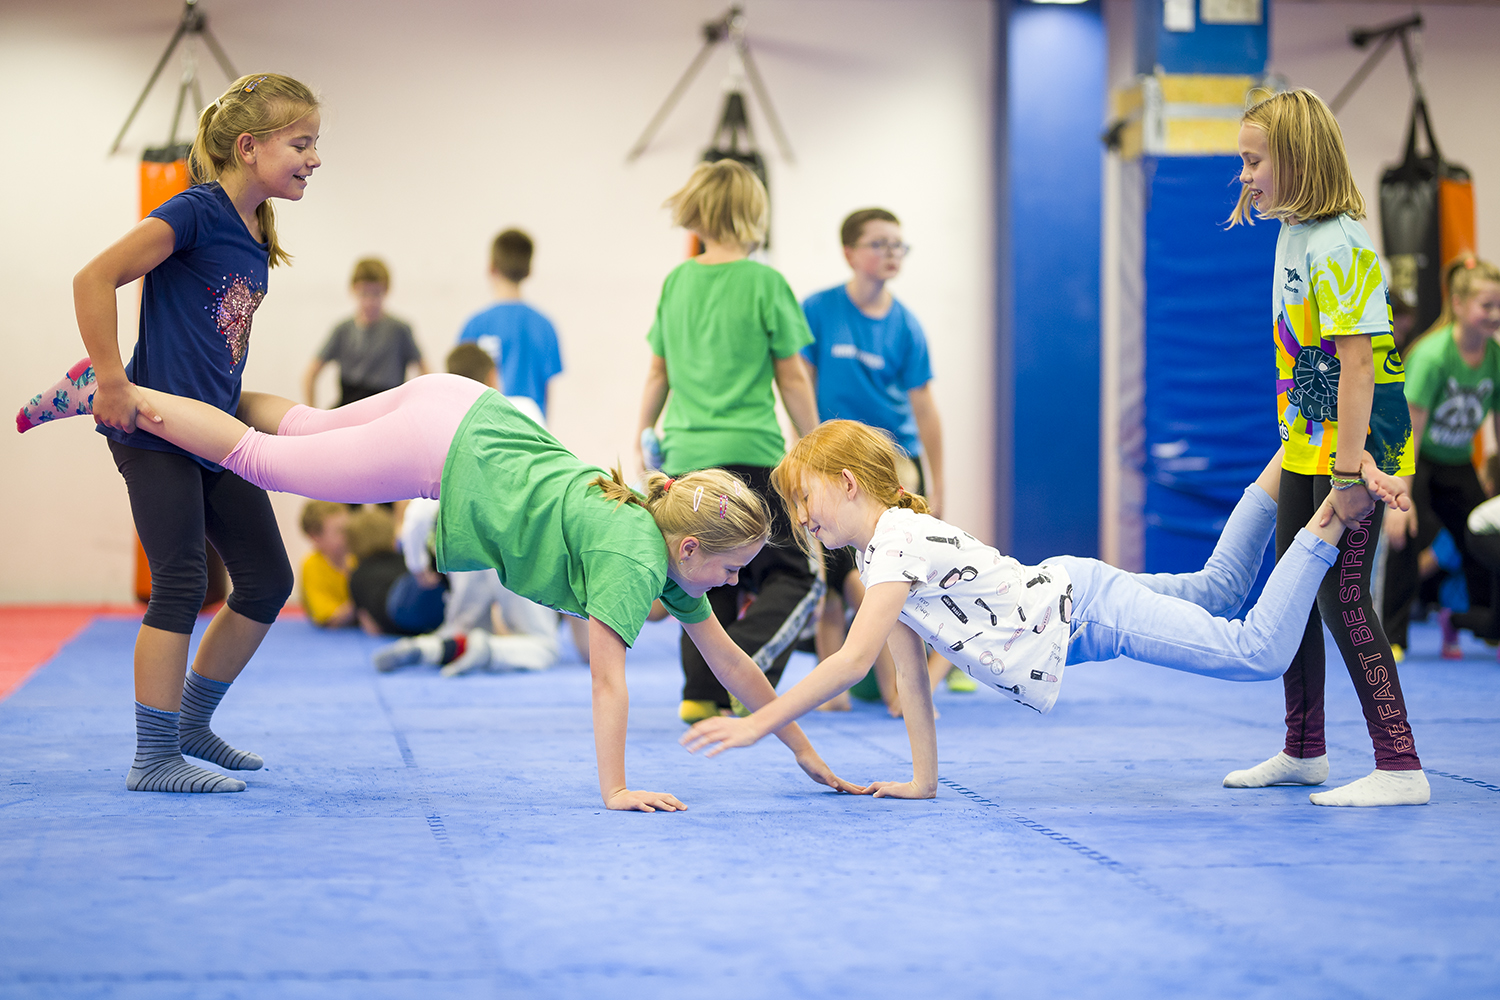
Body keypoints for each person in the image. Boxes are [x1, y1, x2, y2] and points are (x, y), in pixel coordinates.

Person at [21, 370, 864, 812]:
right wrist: (614, 788)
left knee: (307, 426)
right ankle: (116, 392)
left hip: (469, 408)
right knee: (262, 461)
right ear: (688, 548)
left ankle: (179, 385)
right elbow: (608, 680)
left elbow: (734, 667)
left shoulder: (659, 540)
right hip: (448, 447)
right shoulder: (635, 560)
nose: (735, 583)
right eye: (732, 568)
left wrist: (802, 751)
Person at [680, 421, 1412, 804]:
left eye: (804, 500)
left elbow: (846, 663)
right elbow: (908, 685)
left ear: (844, 485)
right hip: (1074, 600)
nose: (801, 518)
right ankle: (1286, 455)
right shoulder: (881, 558)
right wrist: (922, 781)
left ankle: (1326, 521)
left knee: (1256, 649)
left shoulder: (895, 541)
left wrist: (756, 723)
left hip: (1087, 612)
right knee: (1217, 589)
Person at [16, 73, 319, 794]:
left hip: (210, 430)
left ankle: (190, 724)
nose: (314, 158)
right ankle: (154, 756)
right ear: (249, 147)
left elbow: (212, 345)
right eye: (301, 143)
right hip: (154, 429)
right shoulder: (195, 211)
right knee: (180, 581)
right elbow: (93, 278)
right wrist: (115, 382)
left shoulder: (255, 232)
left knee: (270, 579)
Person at [1225, 88, 1426, 806]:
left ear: (1297, 159)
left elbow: (1361, 365)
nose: (1245, 176)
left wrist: (1354, 468)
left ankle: (1400, 765)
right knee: (1293, 601)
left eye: (1255, 161)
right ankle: (1303, 748)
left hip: (1348, 454)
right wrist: (1303, 452)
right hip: (1310, 448)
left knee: (1345, 603)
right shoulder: (1294, 233)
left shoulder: (1339, 241)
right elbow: (1313, 363)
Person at [634, 160, 824, 725]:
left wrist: (645, 436)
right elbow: (791, 376)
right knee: (800, 574)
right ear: (755, 213)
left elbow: (656, 374)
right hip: (752, 458)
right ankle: (747, 669)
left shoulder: (677, 281)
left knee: (700, 574)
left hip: (687, 461)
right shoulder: (766, 283)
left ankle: (699, 695)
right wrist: (813, 446)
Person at [801, 207, 963, 710]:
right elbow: (799, 383)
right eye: (879, 243)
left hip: (891, 461)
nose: (891, 253)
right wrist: (806, 454)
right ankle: (834, 691)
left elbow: (926, 409)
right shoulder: (819, 311)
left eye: (898, 245)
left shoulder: (905, 326)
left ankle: (925, 674)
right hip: (832, 458)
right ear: (850, 253)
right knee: (829, 570)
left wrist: (936, 479)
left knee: (895, 569)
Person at [1382, 255, 1500, 655]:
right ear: (1460, 305)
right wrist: (1402, 499)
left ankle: (1488, 623)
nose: (1495, 314)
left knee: (1483, 535)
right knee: (1405, 536)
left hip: (1458, 462)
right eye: (1487, 305)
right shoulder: (1433, 356)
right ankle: (1394, 634)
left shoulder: (1495, 359)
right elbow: (1409, 431)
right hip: (1420, 460)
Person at [455, 229, 563, 420]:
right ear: (529, 271)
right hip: (532, 427)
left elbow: (461, 386)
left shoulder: (475, 325)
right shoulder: (545, 326)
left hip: (486, 425)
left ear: (491, 267)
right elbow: (547, 390)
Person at [304, 258, 426, 408]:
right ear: (353, 289)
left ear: (386, 290)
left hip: (387, 407)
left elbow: (425, 371)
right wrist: (310, 414)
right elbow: (310, 374)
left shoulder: (399, 330)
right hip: (349, 405)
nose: (369, 301)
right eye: (364, 294)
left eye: (376, 294)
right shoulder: (343, 330)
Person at [298, 500, 354, 628]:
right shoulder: (312, 566)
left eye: (348, 529)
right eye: (339, 531)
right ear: (315, 536)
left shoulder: (356, 558)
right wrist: (362, 601)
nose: (347, 536)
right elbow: (329, 619)